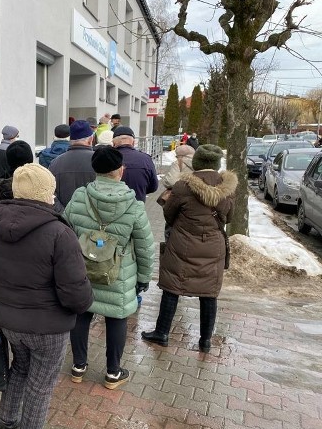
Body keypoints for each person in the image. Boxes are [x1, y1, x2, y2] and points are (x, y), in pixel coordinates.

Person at [0, 163, 93, 429]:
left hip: (10, 321)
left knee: (20, 370)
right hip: (48, 328)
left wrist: (5, 300)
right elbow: (75, 291)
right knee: (41, 384)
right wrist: (82, 306)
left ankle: (6, 419)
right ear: (47, 193)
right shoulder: (59, 233)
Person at [64, 146, 154, 389]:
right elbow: (145, 246)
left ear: (95, 171)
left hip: (83, 268)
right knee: (117, 317)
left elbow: (65, 231)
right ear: (120, 171)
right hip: (118, 274)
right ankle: (113, 372)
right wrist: (144, 277)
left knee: (82, 313)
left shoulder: (79, 196)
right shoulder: (134, 204)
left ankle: (78, 367)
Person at [142, 145, 237, 353]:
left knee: (172, 287)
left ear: (197, 163)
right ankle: (205, 341)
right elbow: (229, 217)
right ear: (216, 164)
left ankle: (162, 333)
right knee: (209, 292)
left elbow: (169, 214)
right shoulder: (227, 186)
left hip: (182, 243)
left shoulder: (183, 186)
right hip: (213, 245)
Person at [48, 120, 96, 211]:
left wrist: (64, 215)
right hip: (93, 222)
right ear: (91, 139)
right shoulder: (100, 161)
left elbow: (50, 194)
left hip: (64, 222)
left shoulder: (55, 163)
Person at [112, 126, 159, 202]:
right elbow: (153, 187)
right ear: (133, 142)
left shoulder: (107, 159)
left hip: (110, 208)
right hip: (137, 207)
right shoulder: (145, 159)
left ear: (113, 142)